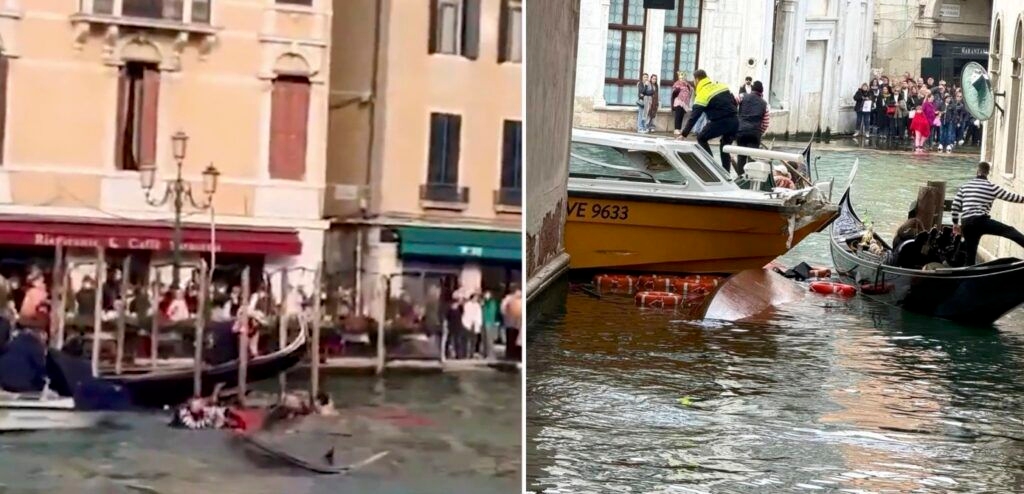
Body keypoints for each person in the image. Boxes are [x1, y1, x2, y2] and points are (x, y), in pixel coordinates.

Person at [951, 161, 1024, 266]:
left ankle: (967, 279)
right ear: (987, 173)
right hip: (981, 221)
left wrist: (955, 223)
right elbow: (1011, 197)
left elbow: (955, 205)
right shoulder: (992, 187)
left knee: (970, 256)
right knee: (1009, 231)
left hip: (966, 223)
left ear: (977, 171)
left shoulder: (965, 186)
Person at [679, 69, 740, 175]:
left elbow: (694, 116)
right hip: (735, 120)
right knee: (725, 146)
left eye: (694, 80)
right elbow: (734, 101)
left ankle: (712, 166)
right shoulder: (720, 85)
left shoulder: (702, 93)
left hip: (720, 121)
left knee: (701, 137)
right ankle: (726, 173)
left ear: (697, 80)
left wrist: (684, 134)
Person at [735, 80, 768, 170]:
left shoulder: (742, 96)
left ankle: (740, 177)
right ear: (761, 92)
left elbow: (733, 102)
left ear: (752, 89)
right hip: (754, 133)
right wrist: (760, 133)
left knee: (741, 157)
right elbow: (766, 123)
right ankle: (749, 180)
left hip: (741, 131)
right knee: (752, 158)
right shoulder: (764, 104)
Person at [500, 286, 522, 361]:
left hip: (517, 323)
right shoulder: (508, 299)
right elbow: (503, 309)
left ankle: (514, 354)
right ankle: (509, 355)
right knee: (510, 339)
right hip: (510, 323)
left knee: (516, 339)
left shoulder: (520, 300)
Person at [461, 293, 483, 358]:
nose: (476, 299)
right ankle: (466, 353)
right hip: (467, 324)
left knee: (474, 340)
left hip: (475, 324)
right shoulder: (467, 305)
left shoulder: (478, 305)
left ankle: (472, 353)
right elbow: (466, 314)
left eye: (477, 298)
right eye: (475, 298)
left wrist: (478, 323)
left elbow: (479, 315)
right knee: (467, 339)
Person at [482, 290, 500, 358]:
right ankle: (485, 353)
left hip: (489, 322)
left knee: (489, 339)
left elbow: (492, 312)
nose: (486, 296)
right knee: (484, 339)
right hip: (484, 322)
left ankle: (490, 354)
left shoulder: (491, 302)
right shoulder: (484, 302)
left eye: (487, 294)